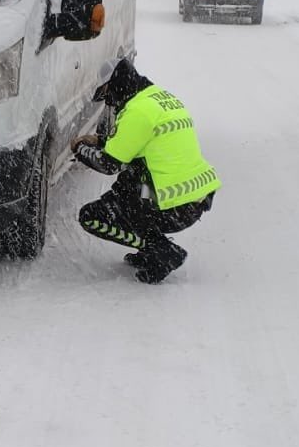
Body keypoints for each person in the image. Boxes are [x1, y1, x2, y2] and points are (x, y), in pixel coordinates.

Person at [72, 57, 220, 284]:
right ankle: (150, 248)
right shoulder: (158, 98)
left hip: (172, 203)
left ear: (117, 85)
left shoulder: (137, 112)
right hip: (195, 198)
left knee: (93, 216)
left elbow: (109, 164)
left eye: (107, 95)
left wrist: (80, 148)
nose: (109, 103)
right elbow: (139, 142)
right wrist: (101, 140)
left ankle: (162, 251)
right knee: (128, 185)